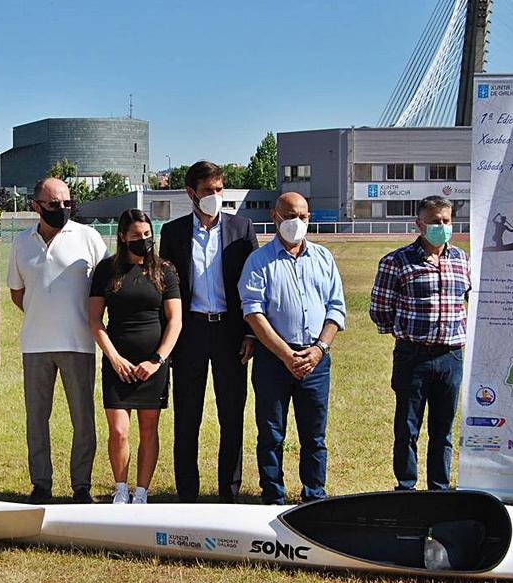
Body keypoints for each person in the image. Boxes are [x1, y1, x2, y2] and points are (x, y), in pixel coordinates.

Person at [158, 160, 258, 503]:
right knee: (187, 417)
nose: (215, 196)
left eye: (219, 190)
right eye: (208, 191)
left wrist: (250, 334)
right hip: (190, 334)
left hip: (231, 334)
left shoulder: (242, 229)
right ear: (191, 193)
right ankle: (187, 494)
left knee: (232, 416)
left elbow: (252, 287)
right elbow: (166, 290)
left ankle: (229, 493)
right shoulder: (172, 233)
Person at [239, 192, 346, 505]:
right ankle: (272, 495)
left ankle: (314, 496)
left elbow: (336, 309)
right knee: (271, 433)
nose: (294, 222)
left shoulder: (324, 258)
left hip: (315, 361)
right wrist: (286, 355)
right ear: (275, 217)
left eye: (300, 216)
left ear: (308, 218)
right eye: (288, 215)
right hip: (273, 362)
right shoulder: (258, 261)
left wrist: (319, 349)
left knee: (314, 436)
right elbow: (253, 313)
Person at [7, 177, 108, 504]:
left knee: (83, 420)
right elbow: (17, 292)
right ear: (36, 206)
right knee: (37, 420)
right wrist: (42, 312)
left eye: (67, 203)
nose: (62, 209)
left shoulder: (89, 237)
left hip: (79, 343)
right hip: (35, 345)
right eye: (54, 204)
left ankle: (82, 487)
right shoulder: (22, 242)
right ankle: (41, 485)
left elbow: (105, 286)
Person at [371, 196, 469, 491]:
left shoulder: (462, 261)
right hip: (413, 356)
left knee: (443, 430)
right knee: (407, 428)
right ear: (419, 224)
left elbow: (469, 300)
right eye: (435, 221)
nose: (441, 226)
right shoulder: (396, 261)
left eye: (446, 221)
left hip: (451, 357)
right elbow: (380, 309)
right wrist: (405, 335)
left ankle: (439, 488)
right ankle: (406, 487)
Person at [89, 209, 182, 504]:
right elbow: (94, 319)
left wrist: (157, 360)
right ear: (122, 237)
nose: (143, 241)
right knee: (118, 431)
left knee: (148, 430)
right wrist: (113, 358)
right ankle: (121, 489)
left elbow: (175, 320)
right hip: (118, 363)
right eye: (135, 236)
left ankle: (141, 492)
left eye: (146, 235)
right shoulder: (106, 270)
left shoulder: (164, 270)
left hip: (152, 365)